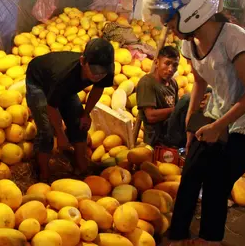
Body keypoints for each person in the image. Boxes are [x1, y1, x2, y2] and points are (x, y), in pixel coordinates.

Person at [142, 0, 245, 246]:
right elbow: (200, 84)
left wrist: (217, 127)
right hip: (219, 112)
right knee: (190, 172)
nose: (168, 26)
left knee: (216, 182)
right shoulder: (189, 45)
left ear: (194, 10)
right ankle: (177, 235)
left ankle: (209, 240)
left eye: (170, 18)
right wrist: (192, 128)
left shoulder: (234, 38)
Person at [25, 38, 115, 181]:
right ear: (82, 62)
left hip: (66, 88)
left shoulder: (106, 69)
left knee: (80, 122)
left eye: (102, 72)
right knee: (47, 131)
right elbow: (51, 106)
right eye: (94, 71)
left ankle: (81, 167)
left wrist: (86, 114)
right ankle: (44, 175)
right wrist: (60, 134)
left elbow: (98, 88)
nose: (98, 76)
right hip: (39, 82)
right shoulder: (63, 75)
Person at [136, 45, 190, 148]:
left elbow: (177, 113)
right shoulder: (147, 83)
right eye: (167, 63)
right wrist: (178, 109)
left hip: (173, 130)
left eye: (175, 65)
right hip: (159, 136)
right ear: (156, 63)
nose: (171, 69)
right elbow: (151, 116)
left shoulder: (173, 83)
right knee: (187, 99)